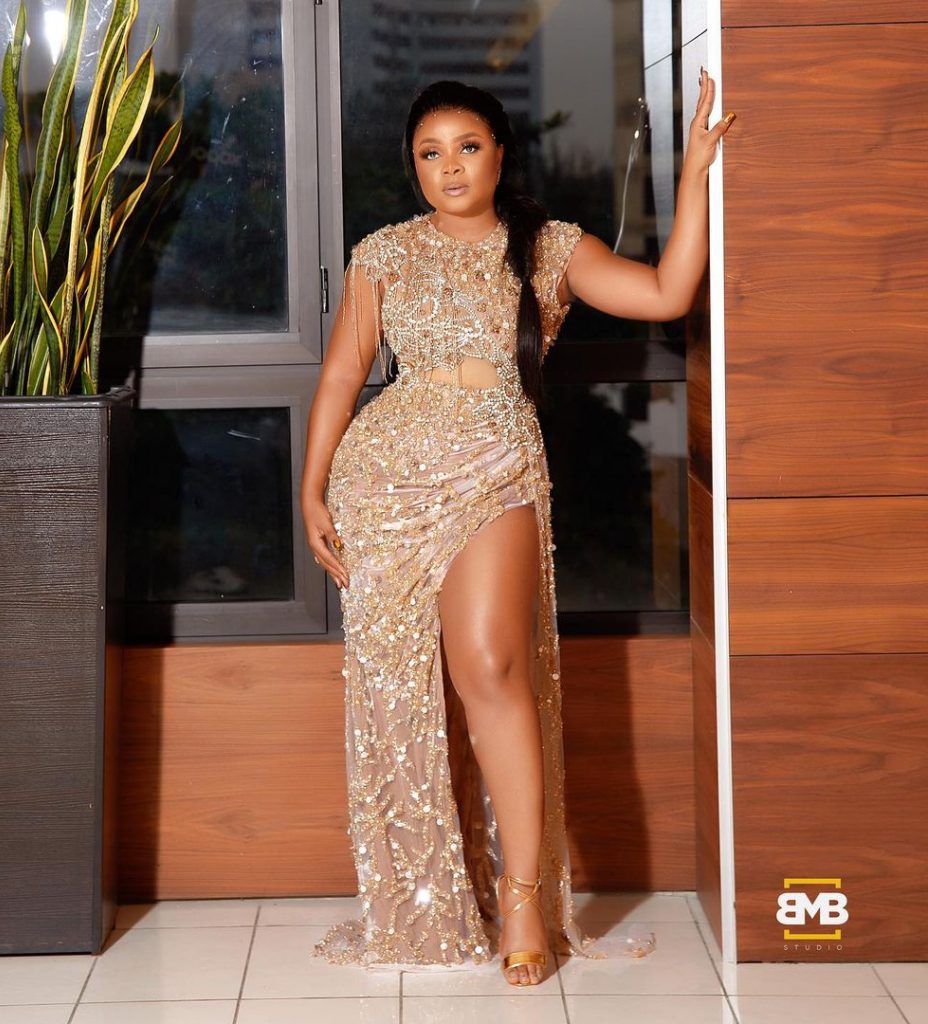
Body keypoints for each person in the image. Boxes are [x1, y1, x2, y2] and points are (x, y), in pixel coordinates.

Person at [301, 73, 731, 986]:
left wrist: (695, 168)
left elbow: (666, 292)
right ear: (414, 168)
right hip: (385, 482)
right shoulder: (383, 253)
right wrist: (312, 489)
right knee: (402, 694)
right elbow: (342, 375)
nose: (450, 167)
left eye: (467, 147)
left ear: (500, 154)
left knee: (493, 664)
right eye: (430, 153)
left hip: (496, 467)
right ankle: (430, 893)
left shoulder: (548, 247)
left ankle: (524, 894)